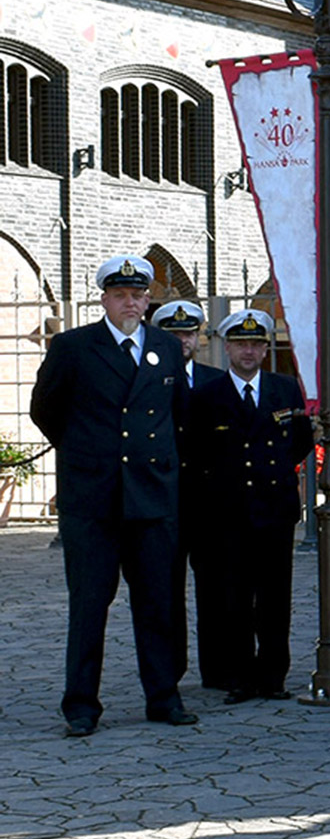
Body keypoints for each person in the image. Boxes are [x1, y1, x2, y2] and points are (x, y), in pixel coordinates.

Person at [31, 255, 196, 736]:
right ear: (104, 297)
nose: (131, 302)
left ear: (148, 300)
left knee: (158, 602)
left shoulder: (166, 347)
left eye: (139, 295)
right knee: (89, 603)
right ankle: (81, 705)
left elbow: (176, 414)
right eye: (121, 294)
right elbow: (46, 410)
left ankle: (163, 697)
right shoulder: (74, 347)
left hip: (151, 497)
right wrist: (88, 452)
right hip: (94, 500)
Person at [185, 309, 313, 705]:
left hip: (274, 509)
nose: (248, 352)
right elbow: (197, 450)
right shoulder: (206, 396)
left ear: (265, 348)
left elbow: (301, 441)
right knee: (233, 599)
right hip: (227, 511)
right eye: (240, 344)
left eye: (256, 344)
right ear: (226, 348)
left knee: (275, 599)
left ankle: (273, 676)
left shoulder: (285, 388)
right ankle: (239, 676)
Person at [153, 298, 221, 686]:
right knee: (165, 590)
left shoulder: (215, 381)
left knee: (215, 588)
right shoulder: (147, 377)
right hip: (164, 499)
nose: (182, 341)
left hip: (209, 501)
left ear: (200, 338)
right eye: (174, 333)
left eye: (189, 333)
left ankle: (217, 668)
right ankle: (170, 670)